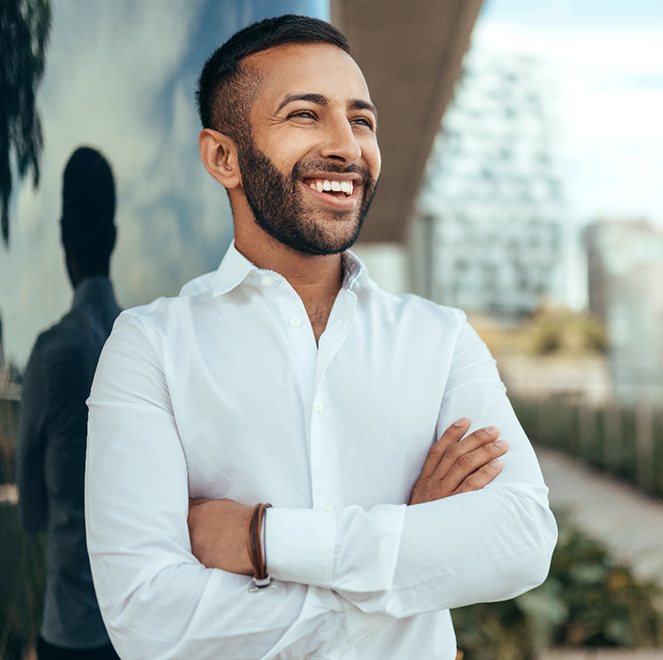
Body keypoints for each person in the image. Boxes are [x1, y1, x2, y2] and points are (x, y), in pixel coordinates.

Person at [85, 15, 557, 659]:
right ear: (223, 157)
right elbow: (148, 620)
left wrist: (262, 540)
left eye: (361, 120)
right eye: (305, 115)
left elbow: (521, 539)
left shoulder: (439, 339)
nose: (346, 146)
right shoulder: (149, 348)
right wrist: (411, 554)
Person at [17, 147, 121, 660]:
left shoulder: (53, 354)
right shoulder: (143, 345)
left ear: (63, 238)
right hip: (135, 630)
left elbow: (32, 514)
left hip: (71, 635)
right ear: (115, 238)